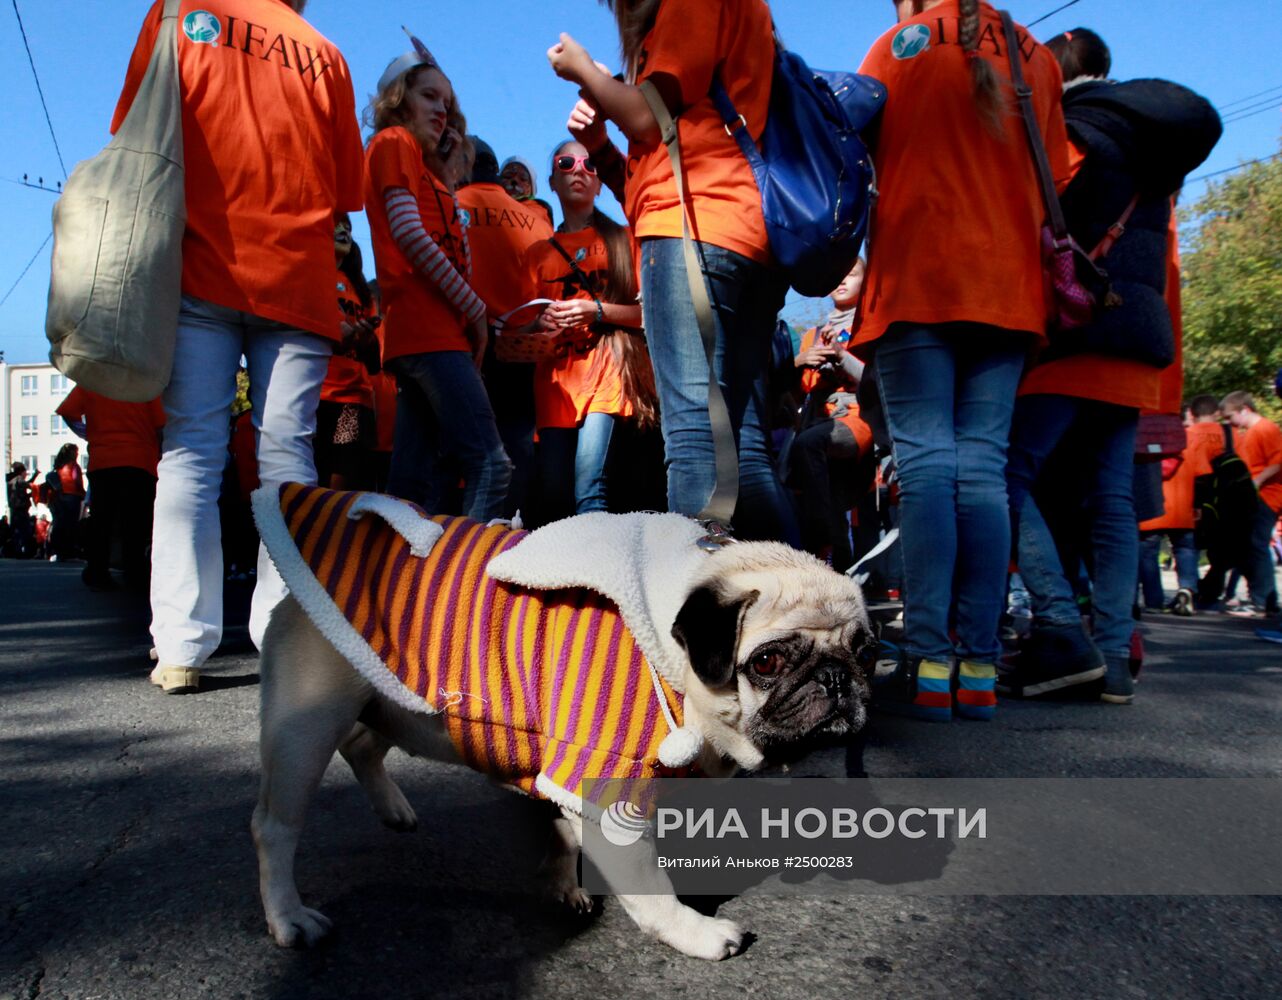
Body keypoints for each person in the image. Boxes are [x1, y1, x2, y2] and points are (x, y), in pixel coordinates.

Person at [113, 0, 364, 694]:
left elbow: (132, 128)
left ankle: (181, 645)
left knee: (192, 450)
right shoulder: (325, 52)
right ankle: (284, 637)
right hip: (298, 280)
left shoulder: (180, 13)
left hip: (200, 265)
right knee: (289, 456)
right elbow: (347, 188)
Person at [845, 0, 1069, 722]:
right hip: (1008, 291)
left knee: (929, 470)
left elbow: (852, 157)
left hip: (920, 281)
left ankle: (927, 662)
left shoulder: (897, 47)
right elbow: (1057, 179)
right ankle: (976, 666)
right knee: (982, 471)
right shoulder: (1036, 54)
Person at [1000, 28, 1220, 706]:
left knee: (1004, 476)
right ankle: (1117, 655)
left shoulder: (1073, 132)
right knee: (1113, 504)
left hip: (1072, 330)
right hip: (1135, 338)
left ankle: (1062, 624)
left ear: (1058, 69)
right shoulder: (1158, 159)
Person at [547, 0, 800, 544]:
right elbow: (650, 173)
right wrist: (599, 148)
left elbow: (646, 114)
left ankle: (692, 616)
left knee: (692, 440)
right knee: (742, 451)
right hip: (744, 239)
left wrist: (585, 70)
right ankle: (805, 608)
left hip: (691, 237)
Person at [365, 42, 512, 520]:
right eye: (429, 97)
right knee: (491, 464)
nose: (442, 113)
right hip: (429, 333)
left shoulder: (427, 170)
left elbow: (453, 251)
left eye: (447, 105)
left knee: (412, 481)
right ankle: (468, 589)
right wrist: (473, 311)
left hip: (428, 335)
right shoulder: (394, 143)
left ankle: (393, 589)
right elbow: (408, 234)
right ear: (398, 98)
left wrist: (448, 178)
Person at [523, 140, 656, 523]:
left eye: (590, 164)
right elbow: (520, 324)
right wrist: (540, 322)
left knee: (590, 488)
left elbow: (650, 316)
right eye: (567, 162)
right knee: (553, 496)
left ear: (599, 183)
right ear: (552, 180)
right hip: (555, 387)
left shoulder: (623, 240)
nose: (579, 169)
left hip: (609, 375)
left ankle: (593, 581)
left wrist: (595, 310)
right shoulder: (536, 254)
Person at [459, 137, 555, 517]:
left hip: (475, 344)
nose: (515, 180)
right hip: (518, 347)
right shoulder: (535, 221)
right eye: (509, 174)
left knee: (470, 450)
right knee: (511, 448)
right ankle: (501, 536)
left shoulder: (453, 206)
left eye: (522, 176)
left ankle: (466, 544)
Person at [791, 260, 874, 573]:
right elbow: (799, 392)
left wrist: (841, 357)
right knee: (832, 502)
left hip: (856, 417)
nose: (842, 281)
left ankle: (821, 547)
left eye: (851, 275)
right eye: (837, 274)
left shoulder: (869, 324)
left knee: (808, 446)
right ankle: (837, 572)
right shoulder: (812, 334)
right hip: (817, 417)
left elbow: (875, 381)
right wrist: (802, 361)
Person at [56, 385, 165, 590]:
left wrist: (88, 433)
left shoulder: (94, 380)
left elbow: (68, 411)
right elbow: (160, 423)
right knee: (136, 522)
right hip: (139, 460)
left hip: (103, 460)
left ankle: (98, 571)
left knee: (101, 521)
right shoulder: (144, 380)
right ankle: (136, 572)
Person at [315, 215, 380, 491]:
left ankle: (335, 531)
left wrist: (363, 338)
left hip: (352, 400)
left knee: (344, 472)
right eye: (336, 224)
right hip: (314, 394)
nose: (343, 231)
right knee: (311, 469)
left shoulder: (364, 293)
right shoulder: (311, 276)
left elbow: (375, 360)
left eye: (348, 227)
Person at [1220, 391, 1282, 618]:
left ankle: (1262, 602)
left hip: (1267, 496)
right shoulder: (1252, 432)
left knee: (1256, 545)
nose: (1229, 423)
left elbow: (1278, 461)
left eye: (1230, 417)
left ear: (1244, 409)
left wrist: (1256, 481)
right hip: (1257, 496)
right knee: (1249, 546)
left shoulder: (1265, 429)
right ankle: (1265, 599)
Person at [48, 443, 86, 563]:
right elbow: (77, 481)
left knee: (61, 524)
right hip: (73, 496)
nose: (77, 454)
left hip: (60, 497)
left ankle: (60, 552)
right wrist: (84, 493)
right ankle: (69, 551)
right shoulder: (74, 466)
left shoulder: (59, 466)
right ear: (72, 453)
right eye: (76, 451)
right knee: (71, 524)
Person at [499, 156, 555, 228]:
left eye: (523, 179)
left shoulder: (542, 212)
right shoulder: (488, 207)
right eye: (508, 176)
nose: (514, 180)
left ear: (531, 189)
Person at [5, 462, 35, 558]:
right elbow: (28, 486)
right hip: (21, 509)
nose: (26, 474)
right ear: (22, 471)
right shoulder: (19, 480)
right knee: (25, 531)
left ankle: (16, 551)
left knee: (16, 532)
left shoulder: (11, 481)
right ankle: (25, 552)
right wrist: (31, 494)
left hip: (14, 510)